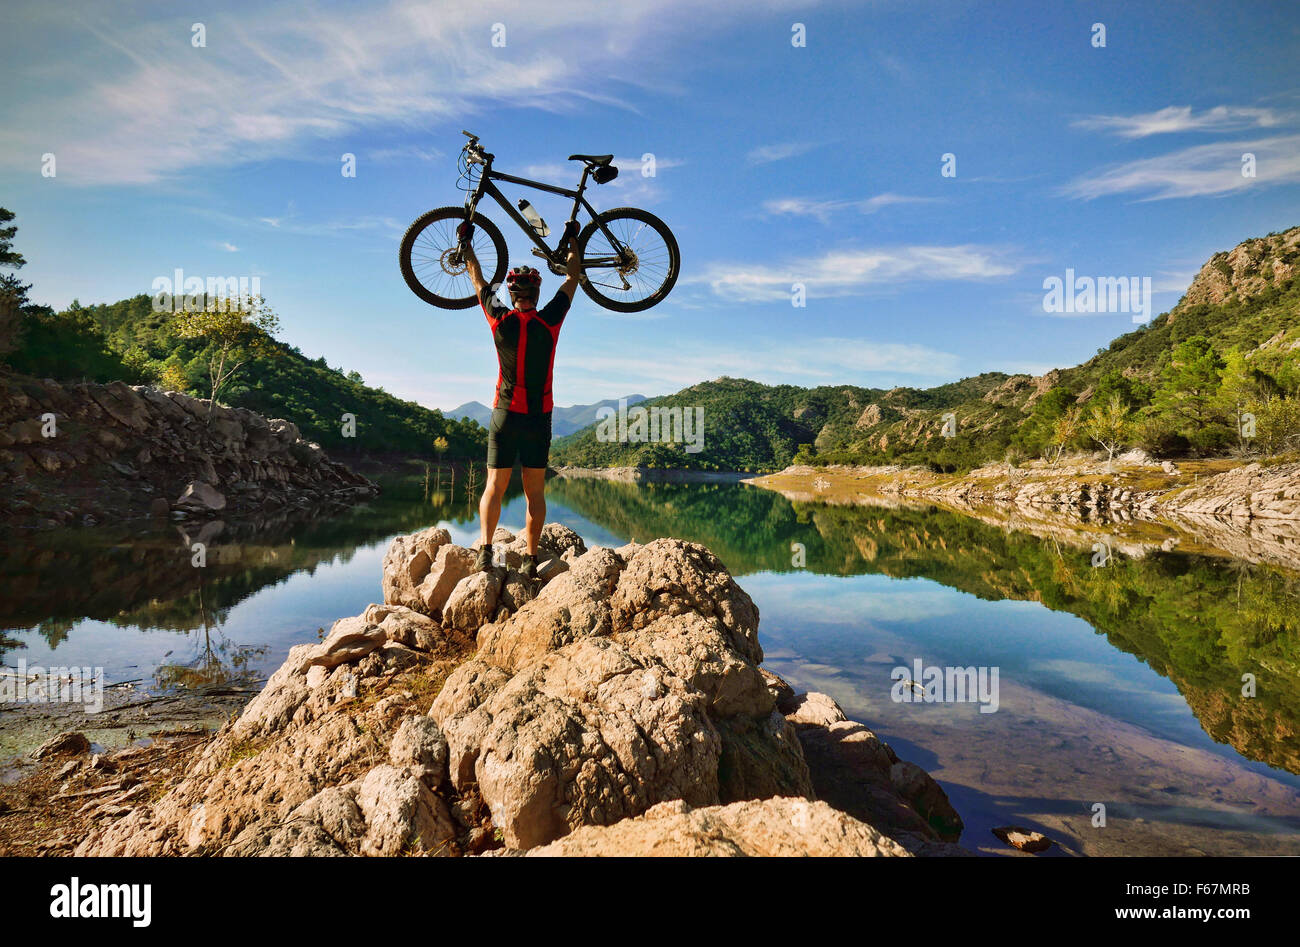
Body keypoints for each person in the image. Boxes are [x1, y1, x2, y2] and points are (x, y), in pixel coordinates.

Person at [459, 220, 581, 578]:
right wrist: (573, 240)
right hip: (537, 418)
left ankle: (485, 551)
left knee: (494, 487)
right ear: (536, 296)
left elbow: (478, 280)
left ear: (513, 295)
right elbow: (572, 277)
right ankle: (529, 559)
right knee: (535, 493)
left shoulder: (499, 319)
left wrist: (467, 246)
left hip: (504, 414)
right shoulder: (551, 320)